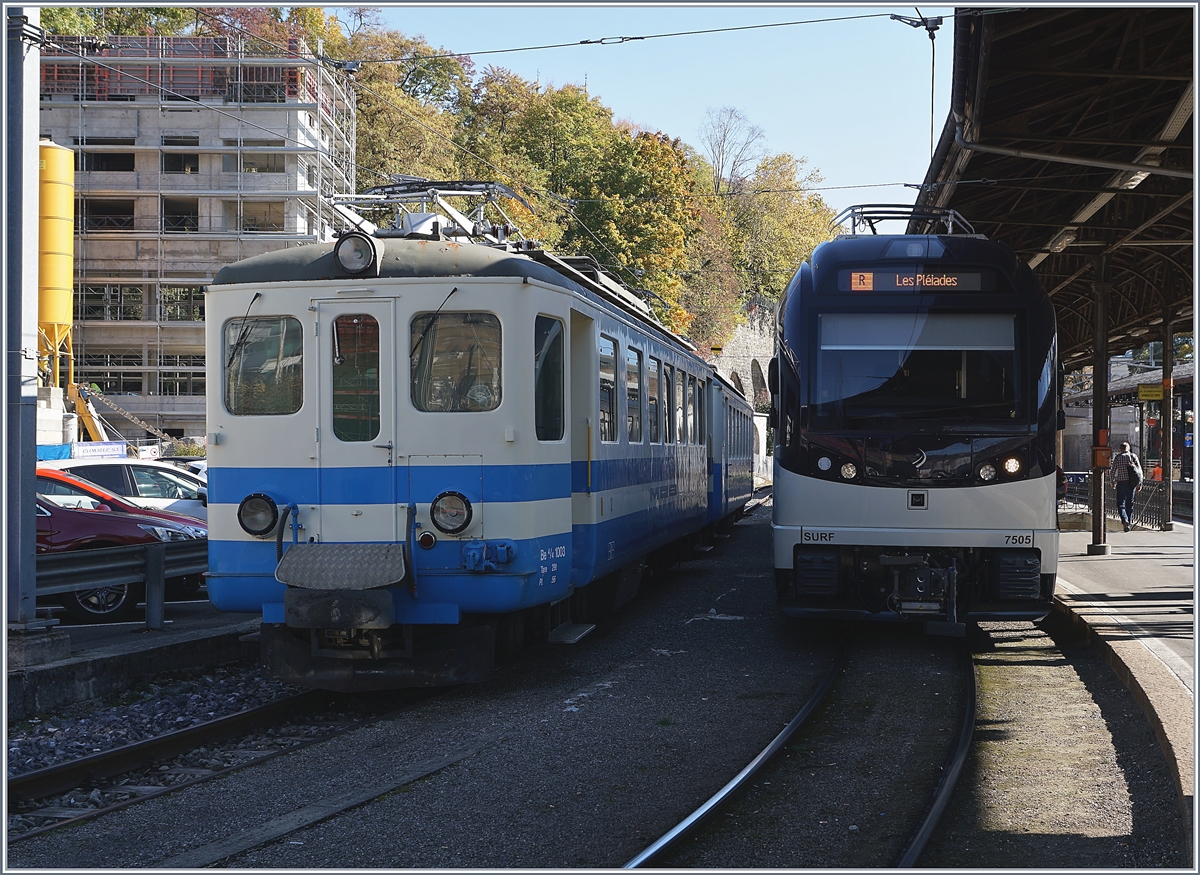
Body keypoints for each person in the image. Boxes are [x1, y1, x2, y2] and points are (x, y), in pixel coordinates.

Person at [1108, 441, 1142, 532]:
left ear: (1120, 449)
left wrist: (1112, 482)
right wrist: (1140, 484)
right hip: (1132, 484)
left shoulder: (1118, 457)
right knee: (1129, 504)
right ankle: (1129, 524)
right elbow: (1139, 471)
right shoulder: (1133, 456)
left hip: (1121, 483)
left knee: (1120, 504)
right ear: (1129, 448)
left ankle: (1124, 520)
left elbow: (1112, 471)